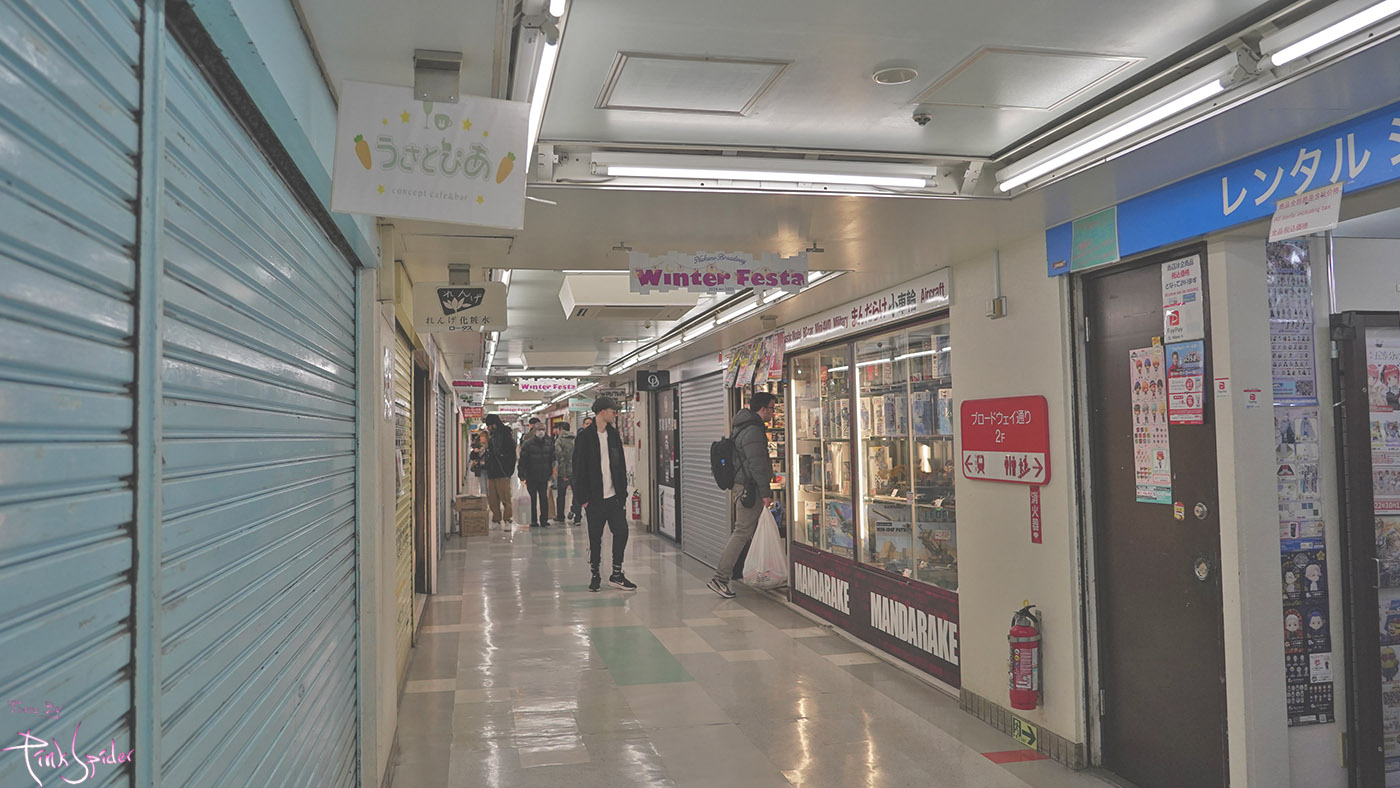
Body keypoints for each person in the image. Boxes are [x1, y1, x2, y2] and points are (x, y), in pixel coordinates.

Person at [707, 392, 776, 599]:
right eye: (772, 408)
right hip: (750, 489)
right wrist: (765, 492)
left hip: (744, 486)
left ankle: (757, 572)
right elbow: (757, 464)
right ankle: (720, 578)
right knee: (742, 532)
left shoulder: (743, 426)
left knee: (747, 531)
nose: (773, 413)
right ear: (763, 409)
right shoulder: (753, 430)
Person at [572, 397, 635, 591]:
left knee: (622, 532)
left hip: (614, 498)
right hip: (594, 499)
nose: (615, 414)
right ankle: (595, 574)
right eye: (613, 411)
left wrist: (622, 494)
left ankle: (616, 574)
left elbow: (620, 464)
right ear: (602, 412)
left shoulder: (613, 435)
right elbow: (578, 469)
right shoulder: (585, 437)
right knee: (595, 538)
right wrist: (583, 499)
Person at [483, 414, 517, 527]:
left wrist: (508, 471)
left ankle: (507, 518)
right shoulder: (492, 436)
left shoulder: (505, 435)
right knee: (492, 498)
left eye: (488, 425)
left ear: (494, 425)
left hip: (502, 472)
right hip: (492, 473)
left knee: (505, 497)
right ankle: (496, 518)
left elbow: (511, 454)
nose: (487, 428)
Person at [518, 421, 554, 527]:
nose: (541, 432)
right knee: (532, 499)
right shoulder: (528, 444)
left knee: (544, 499)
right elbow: (522, 461)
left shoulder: (548, 443)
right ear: (535, 431)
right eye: (539, 430)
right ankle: (533, 520)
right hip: (531, 476)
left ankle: (544, 519)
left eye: (543, 429)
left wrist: (551, 473)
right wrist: (522, 474)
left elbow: (551, 459)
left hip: (544, 476)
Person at [553, 422, 576, 525]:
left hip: (563, 473)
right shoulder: (575, 439)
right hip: (575, 472)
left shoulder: (559, 440)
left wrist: (563, 474)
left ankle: (560, 516)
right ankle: (577, 516)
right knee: (576, 494)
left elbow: (560, 458)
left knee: (561, 495)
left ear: (560, 429)